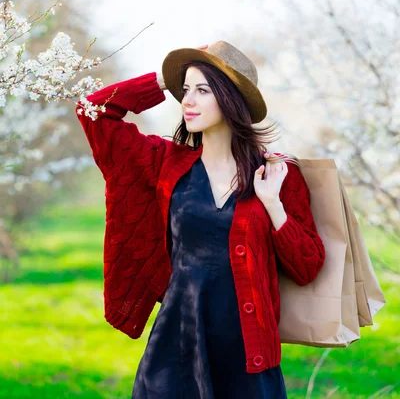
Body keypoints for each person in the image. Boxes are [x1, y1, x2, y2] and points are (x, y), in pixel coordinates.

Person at [76, 40, 326, 399]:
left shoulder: (278, 174)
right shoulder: (165, 163)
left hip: (248, 356)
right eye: (185, 90)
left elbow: (308, 266)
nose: (187, 101)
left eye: (202, 90)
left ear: (230, 98)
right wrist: (163, 79)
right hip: (175, 348)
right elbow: (92, 110)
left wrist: (274, 206)